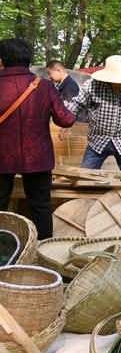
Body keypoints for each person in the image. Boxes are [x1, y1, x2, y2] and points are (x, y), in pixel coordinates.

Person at [0, 39, 75, 239]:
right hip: (37, 156)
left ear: (1, 60)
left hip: (1, 156)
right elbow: (66, 120)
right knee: (41, 206)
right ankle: (43, 256)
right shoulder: (45, 87)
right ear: (28, 60)